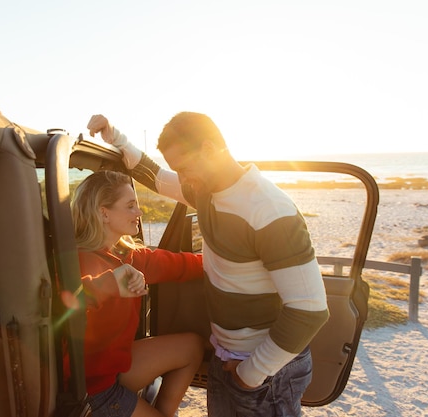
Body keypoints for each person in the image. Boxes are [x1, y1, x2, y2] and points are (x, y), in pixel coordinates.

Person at [87, 113, 330, 417]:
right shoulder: (207, 192)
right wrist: (116, 138)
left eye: (186, 168)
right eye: (180, 171)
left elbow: (309, 309)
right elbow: (158, 177)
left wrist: (250, 374)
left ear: (211, 149)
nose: (184, 179)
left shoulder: (268, 209)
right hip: (227, 357)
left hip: (264, 373)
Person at [69, 169, 204, 417]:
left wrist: (235, 265)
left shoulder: (129, 256)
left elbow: (182, 265)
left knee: (192, 346)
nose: (139, 212)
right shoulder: (74, 260)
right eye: (130, 206)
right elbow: (62, 304)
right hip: (93, 386)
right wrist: (108, 284)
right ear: (104, 213)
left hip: (114, 365)